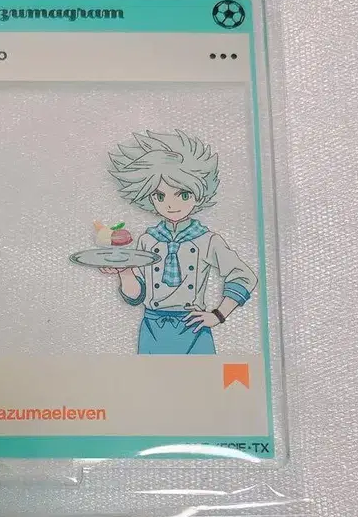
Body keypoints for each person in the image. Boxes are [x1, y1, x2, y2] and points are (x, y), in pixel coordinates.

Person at [102, 130, 257, 355]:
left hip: (193, 328)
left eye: (183, 195)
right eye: (160, 196)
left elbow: (244, 276)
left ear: (199, 194)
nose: (170, 205)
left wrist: (219, 314)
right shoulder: (148, 240)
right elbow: (135, 296)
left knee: (201, 378)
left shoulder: (206, 240)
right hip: (152, 328)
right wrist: (124, 272)